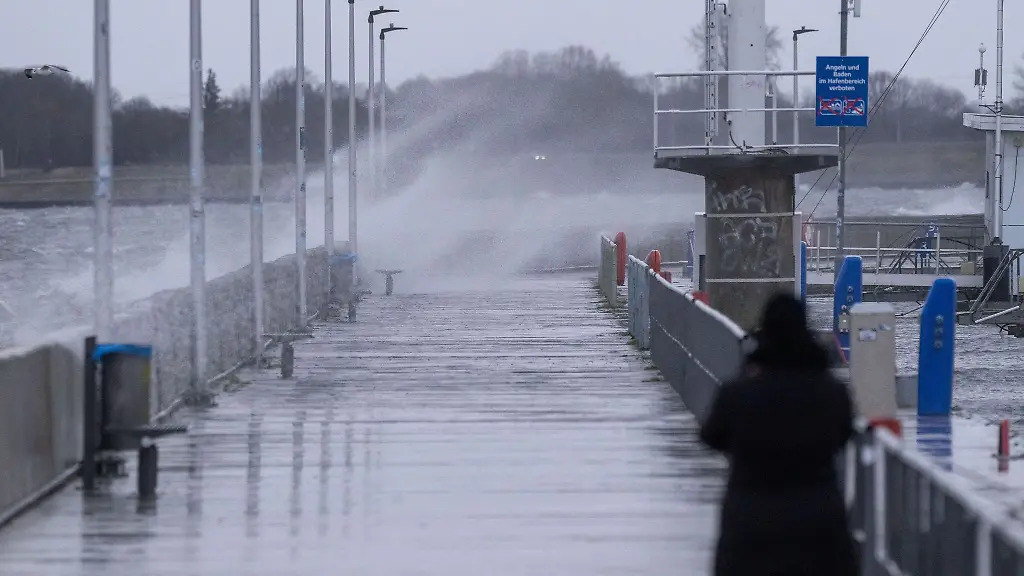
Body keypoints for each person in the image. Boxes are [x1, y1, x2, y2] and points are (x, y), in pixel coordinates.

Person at [699, 293, 857, 576]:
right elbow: (844, 435)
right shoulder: (830, 392)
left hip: (751, 523)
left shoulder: (740, 392)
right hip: (818, 524)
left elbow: (711, 435)